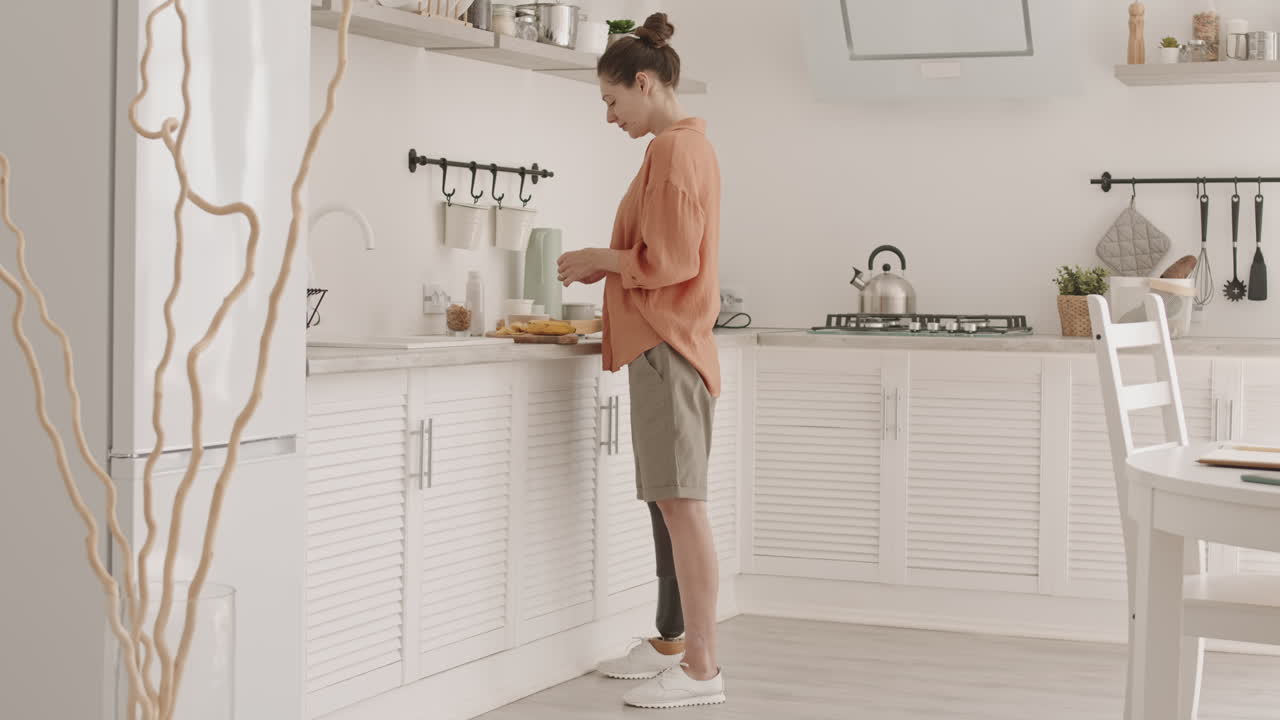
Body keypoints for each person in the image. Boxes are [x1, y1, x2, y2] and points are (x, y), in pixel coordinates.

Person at [555, 11, 725, 710]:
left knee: (682, 507)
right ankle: (674, 644)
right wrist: (612, 268)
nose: (609, 116)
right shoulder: (683, 148)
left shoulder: (675, 152)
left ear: (645, 82)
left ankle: (701, 672)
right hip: (666, 344)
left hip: (669, 346)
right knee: (670, 505)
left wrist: (601, 259)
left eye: (611, 100)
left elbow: (673, 260)